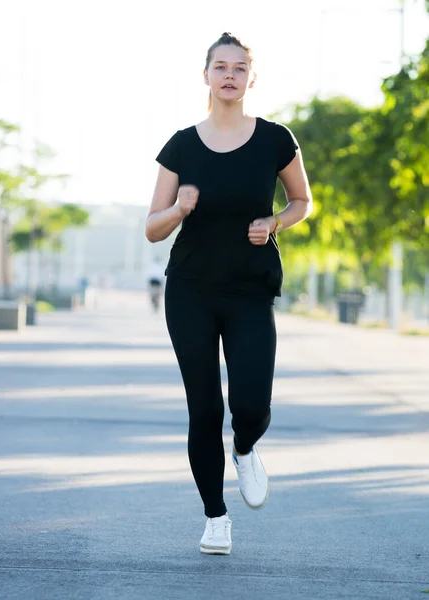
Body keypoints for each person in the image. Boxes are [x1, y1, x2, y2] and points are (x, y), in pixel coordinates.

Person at [145, 32, 313, 555]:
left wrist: (275, 221)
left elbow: (302, 200)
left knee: (252, 403)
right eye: (221, 66)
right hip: (191, 290)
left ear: (251, 78)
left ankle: (245, 446)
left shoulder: (274, 140)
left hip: (249, 290)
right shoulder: (181, 145)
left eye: (240, 68)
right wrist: (179, 209)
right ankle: (215, 517)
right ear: (206, 76)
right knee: (204, 408)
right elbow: (152, 227)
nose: (230, 75)